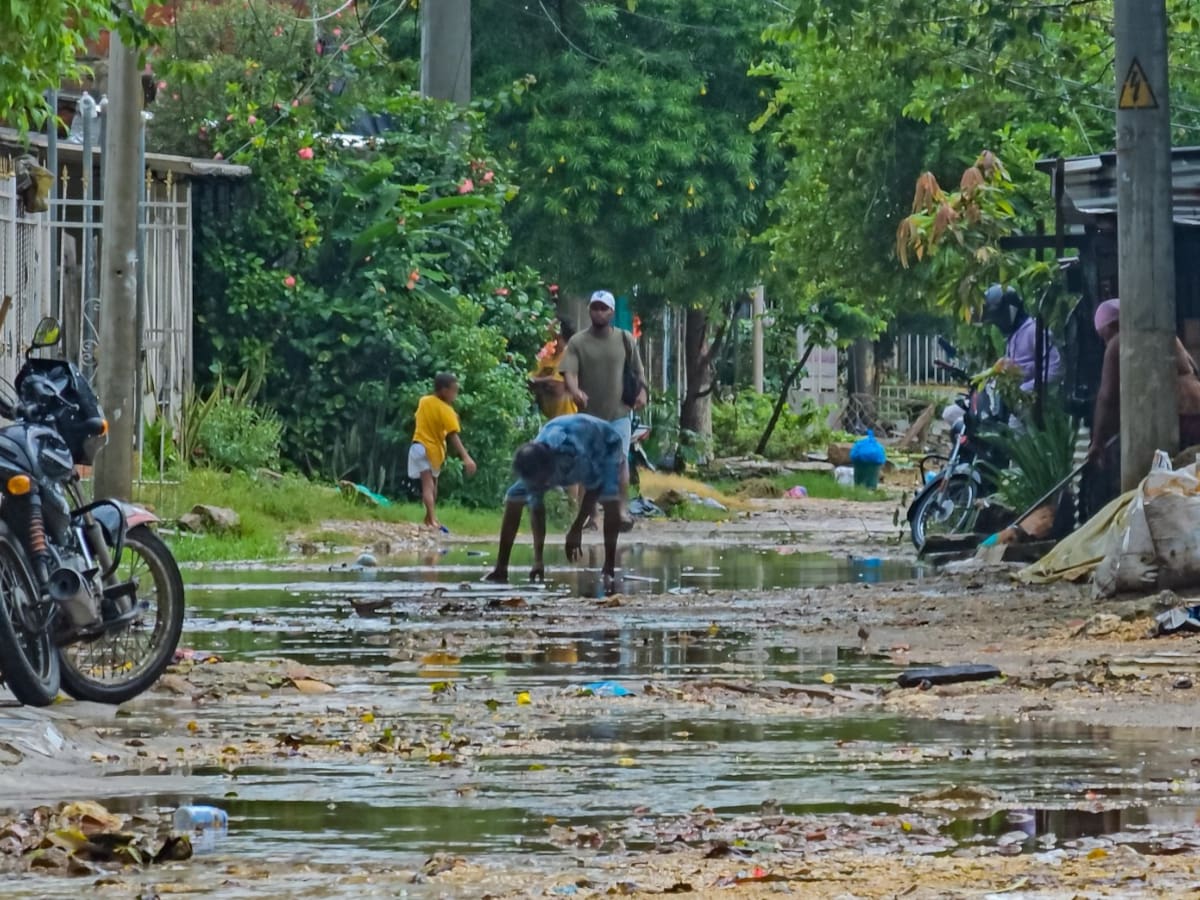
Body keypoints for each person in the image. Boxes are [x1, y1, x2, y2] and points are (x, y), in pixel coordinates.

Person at [484, 413, 625, 591]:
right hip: (559, 441)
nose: (537, 486)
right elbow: (537, 509)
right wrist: (538, 561)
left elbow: (594, 488)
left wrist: (576, 528)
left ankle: (609, 568)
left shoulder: (575, 457)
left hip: (605, 442)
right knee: (514, 497)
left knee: (610, 499)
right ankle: (501, 568)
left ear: (548, 471)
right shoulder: (533, 462)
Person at [560, 290, 647, 529]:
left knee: (619, 462)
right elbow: (569, 373)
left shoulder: (625, 338)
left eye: (603, 308)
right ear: (589, 311)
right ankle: (591, 516)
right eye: (595, 307)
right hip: (589, 415)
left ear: (611, 312)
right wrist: (576, 391)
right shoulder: (578, 342)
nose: (599, 312)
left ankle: (620, 511)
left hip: (619, 412)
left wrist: (642, 392)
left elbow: (638, 371)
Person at [1088, 297, 1200, 467]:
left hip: (1181, 419)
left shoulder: (1120, 341)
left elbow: (1107, 398)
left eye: (1104, 336)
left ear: (1113, 325)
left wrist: (1097, 442)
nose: (1106, 342)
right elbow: (1194, 370)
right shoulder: (1166, 334)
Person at [409, 372, 476, 531]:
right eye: (454, 390)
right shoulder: (447, 410)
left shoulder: (424, 401)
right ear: (445, 390)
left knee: (432, 484)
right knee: (428, 485)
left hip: (417, 446)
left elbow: (424, 416)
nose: (456, 394)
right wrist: (466, 457)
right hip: (432, 450)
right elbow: (453, 435)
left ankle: (429, 518)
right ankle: (432, 520)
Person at [981, 283, 1063, 393]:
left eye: (997, 320)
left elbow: (1055, 370)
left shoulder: (1033, 331)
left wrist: (1024, 389)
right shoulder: (1014, 335)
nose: (997, 325)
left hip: (1038, 406)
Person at [529, 318, 578, 420]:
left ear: (559, 337)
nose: (548, 338)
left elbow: (557, 387)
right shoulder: (547, 355)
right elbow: (528, 380)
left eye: (551, 334)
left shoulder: (569, 357)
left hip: (567, 418)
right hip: (548, 417)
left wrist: (540, 380)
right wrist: (548, 379)